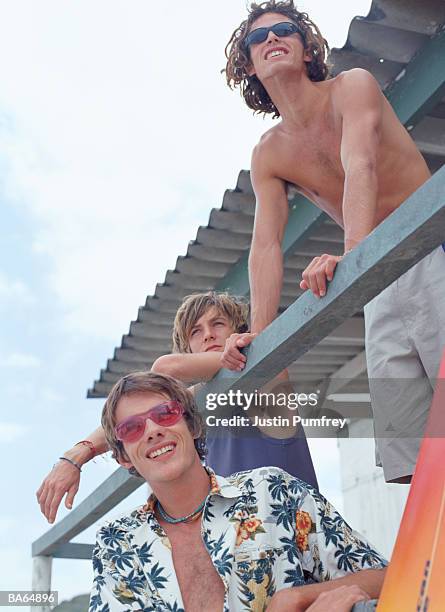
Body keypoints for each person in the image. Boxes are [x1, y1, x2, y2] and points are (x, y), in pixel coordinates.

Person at [223, 0, 445, 484]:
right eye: (256, 39)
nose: (271, 40)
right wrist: (262, 341)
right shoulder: (269, 154)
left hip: (430, 248)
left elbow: (359, 164)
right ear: (249, 65)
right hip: (381, 285)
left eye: (283, 30)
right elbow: (265, 247)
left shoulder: (352, 86)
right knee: (410, 451)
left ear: (306, 48)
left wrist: (354, 257)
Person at [90, 370, 386, 612]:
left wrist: (298, 598)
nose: (153, 430)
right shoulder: (117, 545)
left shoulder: (274, 491)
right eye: (132, 428)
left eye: (166, 413)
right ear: (123, 457)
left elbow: (386, 577)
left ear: (192, 425)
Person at [37, 291, 318, 524]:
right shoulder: (198, 402)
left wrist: (245, 348)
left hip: (300, 536)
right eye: (196, 331)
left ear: (238, 331)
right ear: (187, 347)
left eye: (218, 324)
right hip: (243, 550)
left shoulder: (269, 372)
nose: (208, 335)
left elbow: (165, 368)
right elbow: (128, 420)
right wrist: (74, 456)